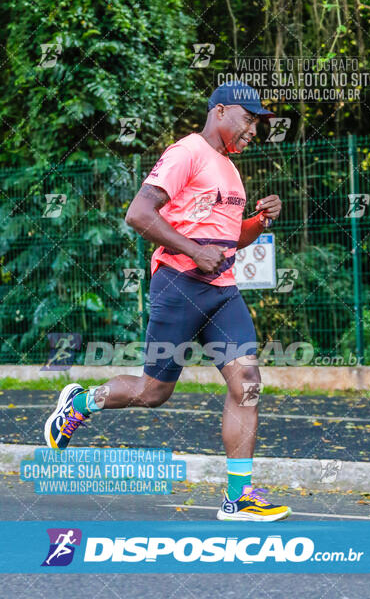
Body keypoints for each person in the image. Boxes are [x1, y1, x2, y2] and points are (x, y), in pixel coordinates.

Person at [44, 81, 291, 522]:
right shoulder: (187, 152)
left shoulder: (230, 170)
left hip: (223, 292)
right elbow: (138, 214)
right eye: (249, 118)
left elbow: (232, 239)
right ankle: (81, 404)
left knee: (247, 383)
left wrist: (258, 221)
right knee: (153, 392)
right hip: (178, 285)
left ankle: (238, 497)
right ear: (219, 111)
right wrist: (195, 252)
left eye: (257, 122)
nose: (254, 129)